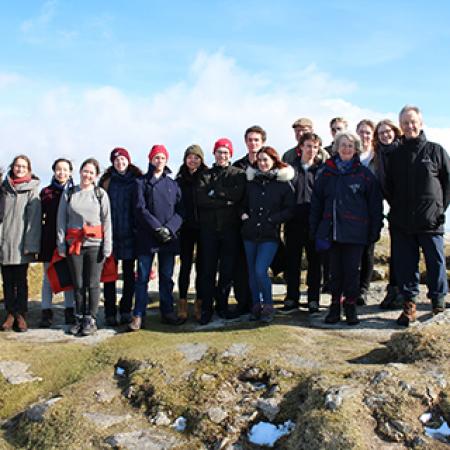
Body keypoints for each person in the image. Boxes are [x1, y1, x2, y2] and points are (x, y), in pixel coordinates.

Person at [385, 105, 450, 326]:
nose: (409, 126)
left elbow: (447, 183)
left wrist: (440, 210)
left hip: (431, 220)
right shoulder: (394, 155)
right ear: (400, 126)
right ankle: (410, 304)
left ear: (420, 123)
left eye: (413, 122)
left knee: (435, 262)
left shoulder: (436, 150)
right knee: (406, 264)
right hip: (402, 221)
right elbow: (388, 187)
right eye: (405, 123)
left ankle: (438, 302)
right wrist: (398, 209)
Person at [310, 132, 383, 325]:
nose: (346, 149)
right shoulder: (326, 172)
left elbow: (375, 205)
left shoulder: (365, 174)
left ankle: (350, 307)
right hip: (331, 231)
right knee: (334, 273)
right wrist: (315, 227)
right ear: (336, 148)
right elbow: (316, 202)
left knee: (352, 272)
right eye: (343, 145)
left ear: (356, 149)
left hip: (356, 232)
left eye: (350, 145)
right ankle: (334, 308)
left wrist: (375, 230)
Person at [130, 145, 183, 330]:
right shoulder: (140, 183)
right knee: (142, 277)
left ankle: (167, 311)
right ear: (150, 159)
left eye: (162, 158)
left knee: (166, 276)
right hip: (147, 236)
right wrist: (156, 228)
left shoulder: (173, 184)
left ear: (166, 160)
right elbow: (139, 208)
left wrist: (169, 229)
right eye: (156, 158)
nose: (159, 161)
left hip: (169, 237)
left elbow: (180, 210)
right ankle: (138, 314)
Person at [57, 158, 112, 336]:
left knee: (93, 283)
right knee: (78, 283)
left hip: (95, 244)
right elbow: (61, 220)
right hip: (75, 244)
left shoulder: (100, 194)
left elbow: (107, 221)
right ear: (80, 172)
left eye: (91, 172)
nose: (87, 175)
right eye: (85, 171)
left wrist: (107, 246)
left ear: (96, 176)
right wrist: (61, 244)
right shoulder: (70, 192)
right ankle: (79, 316)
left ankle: (91, 318)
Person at [242, 146, 295, 322]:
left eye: (266, 160)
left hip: (269, 235)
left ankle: (268, 306)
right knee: (251, 272)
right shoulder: (251, 182)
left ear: (274, 161)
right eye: (260, 160)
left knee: (260, 270)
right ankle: (256, 305)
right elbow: (241, 203)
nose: (262, 163)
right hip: (249, 233)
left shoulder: (283, 184)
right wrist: (243, 215)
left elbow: (290, 209)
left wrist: (274, 219)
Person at [197, 138, 246, 325]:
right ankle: (207, 308)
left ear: (231, 154)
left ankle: (223, 306)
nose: (222, 156)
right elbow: (201, 199)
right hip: (209, 230)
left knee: (227, 271)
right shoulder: (205, 175)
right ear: (214, 154)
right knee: (208, 271)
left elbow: (238, 195)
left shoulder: (238, 174)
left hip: (230, 230)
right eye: (219, 152)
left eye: (225, 152)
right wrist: (226, 200)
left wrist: (216, 193)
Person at [281, 132, 324, 314]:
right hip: (293, 222)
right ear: (301, 148)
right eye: (308, 146)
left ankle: (313, 299)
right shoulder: (290, 169)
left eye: (315, 147)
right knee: (292, 262)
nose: (311, 150)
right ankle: (292, 297)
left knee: (315, 263)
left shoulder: (322, 170)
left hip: (315, 223)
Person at [99, 148, 142, 326]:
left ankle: (126, 309)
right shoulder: (107, 182)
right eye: (116, 160)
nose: (120, 163)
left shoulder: (136, 180)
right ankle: (110, 311)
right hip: (111, 234)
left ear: (128, 161)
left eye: (123, 159)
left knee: (130, 276)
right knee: (109, 276)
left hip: (131, 234)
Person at [1, 155, 41, 332]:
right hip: (4, 240)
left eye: (23, 167)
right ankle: (10, 312)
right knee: (7, 280)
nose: (20, 169)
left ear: (29, 170)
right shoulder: (4, 188)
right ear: (12, 167)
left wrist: (31, 245)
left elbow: (34, 220)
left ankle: (21, 314)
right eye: (17, 166)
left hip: (21, 242)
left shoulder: (32, 190)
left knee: (21, 280)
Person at [232, 125, 268, 315]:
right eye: (250, 140)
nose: (253, 143)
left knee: (260, 266)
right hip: (243, 222)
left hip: (264, 224)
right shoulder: (238, 166)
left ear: (262, 142)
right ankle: (243, 301)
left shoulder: (267, 163)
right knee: (241, 264)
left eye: (256, 140)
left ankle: (262, 301)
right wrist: (241, 214)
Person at [39, 158, 75, 327]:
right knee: (48, 276)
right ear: (54, 171)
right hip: (49, 239)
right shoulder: (46, 193)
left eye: (65, 169)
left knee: (68, 276)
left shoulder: (76, 191)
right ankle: (46, 310)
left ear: (70, 172)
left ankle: (70, 309)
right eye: (59, 169)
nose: (62, 173)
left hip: (70, 239)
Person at [372, 119, 404, 310]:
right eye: (381, 133)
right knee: (396, 252)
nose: (385, 135)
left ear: (395, 132)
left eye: (388, 131)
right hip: (394, 208)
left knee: (407, 254)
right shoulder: (380, 156)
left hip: (409, 208)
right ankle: (393, 290)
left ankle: (404, 293)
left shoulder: (402, 150)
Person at [176, 144, 208, 322]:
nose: (193, 160)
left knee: (202, 267)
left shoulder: (207, 176)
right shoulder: (179, 179)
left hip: (203, 228)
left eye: (196, 157)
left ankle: (199, 302)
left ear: (201, 160)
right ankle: (182, 301)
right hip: (186, 228)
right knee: (185, 266)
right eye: (190, 157)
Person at [355, 119, 377, 305]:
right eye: (361, 132)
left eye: (368, 132)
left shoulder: (377, 157)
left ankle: (363, 289)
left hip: (372, 208)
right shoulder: (352, 155)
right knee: (353, 251)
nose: (364, 136)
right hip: (353, 210)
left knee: (368, 251)